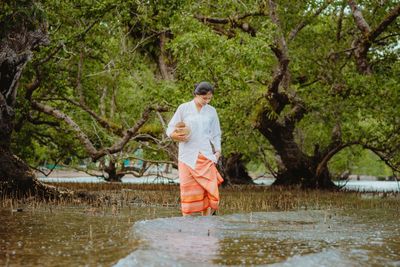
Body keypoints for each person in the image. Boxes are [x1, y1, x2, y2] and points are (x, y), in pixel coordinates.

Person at [166, 81, 223, 216]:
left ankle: (206, 226)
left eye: (209, 98)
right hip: (187, 157)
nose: (207, 101)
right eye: (204, 98)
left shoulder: (211, 111)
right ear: (196, 94)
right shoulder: (184, 108)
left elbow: (216, 133)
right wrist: (176, 136)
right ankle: (187, 227)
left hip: (206, 156)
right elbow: (170, 128)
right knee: (187, 193)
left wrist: (218, 151)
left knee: (206, 191)